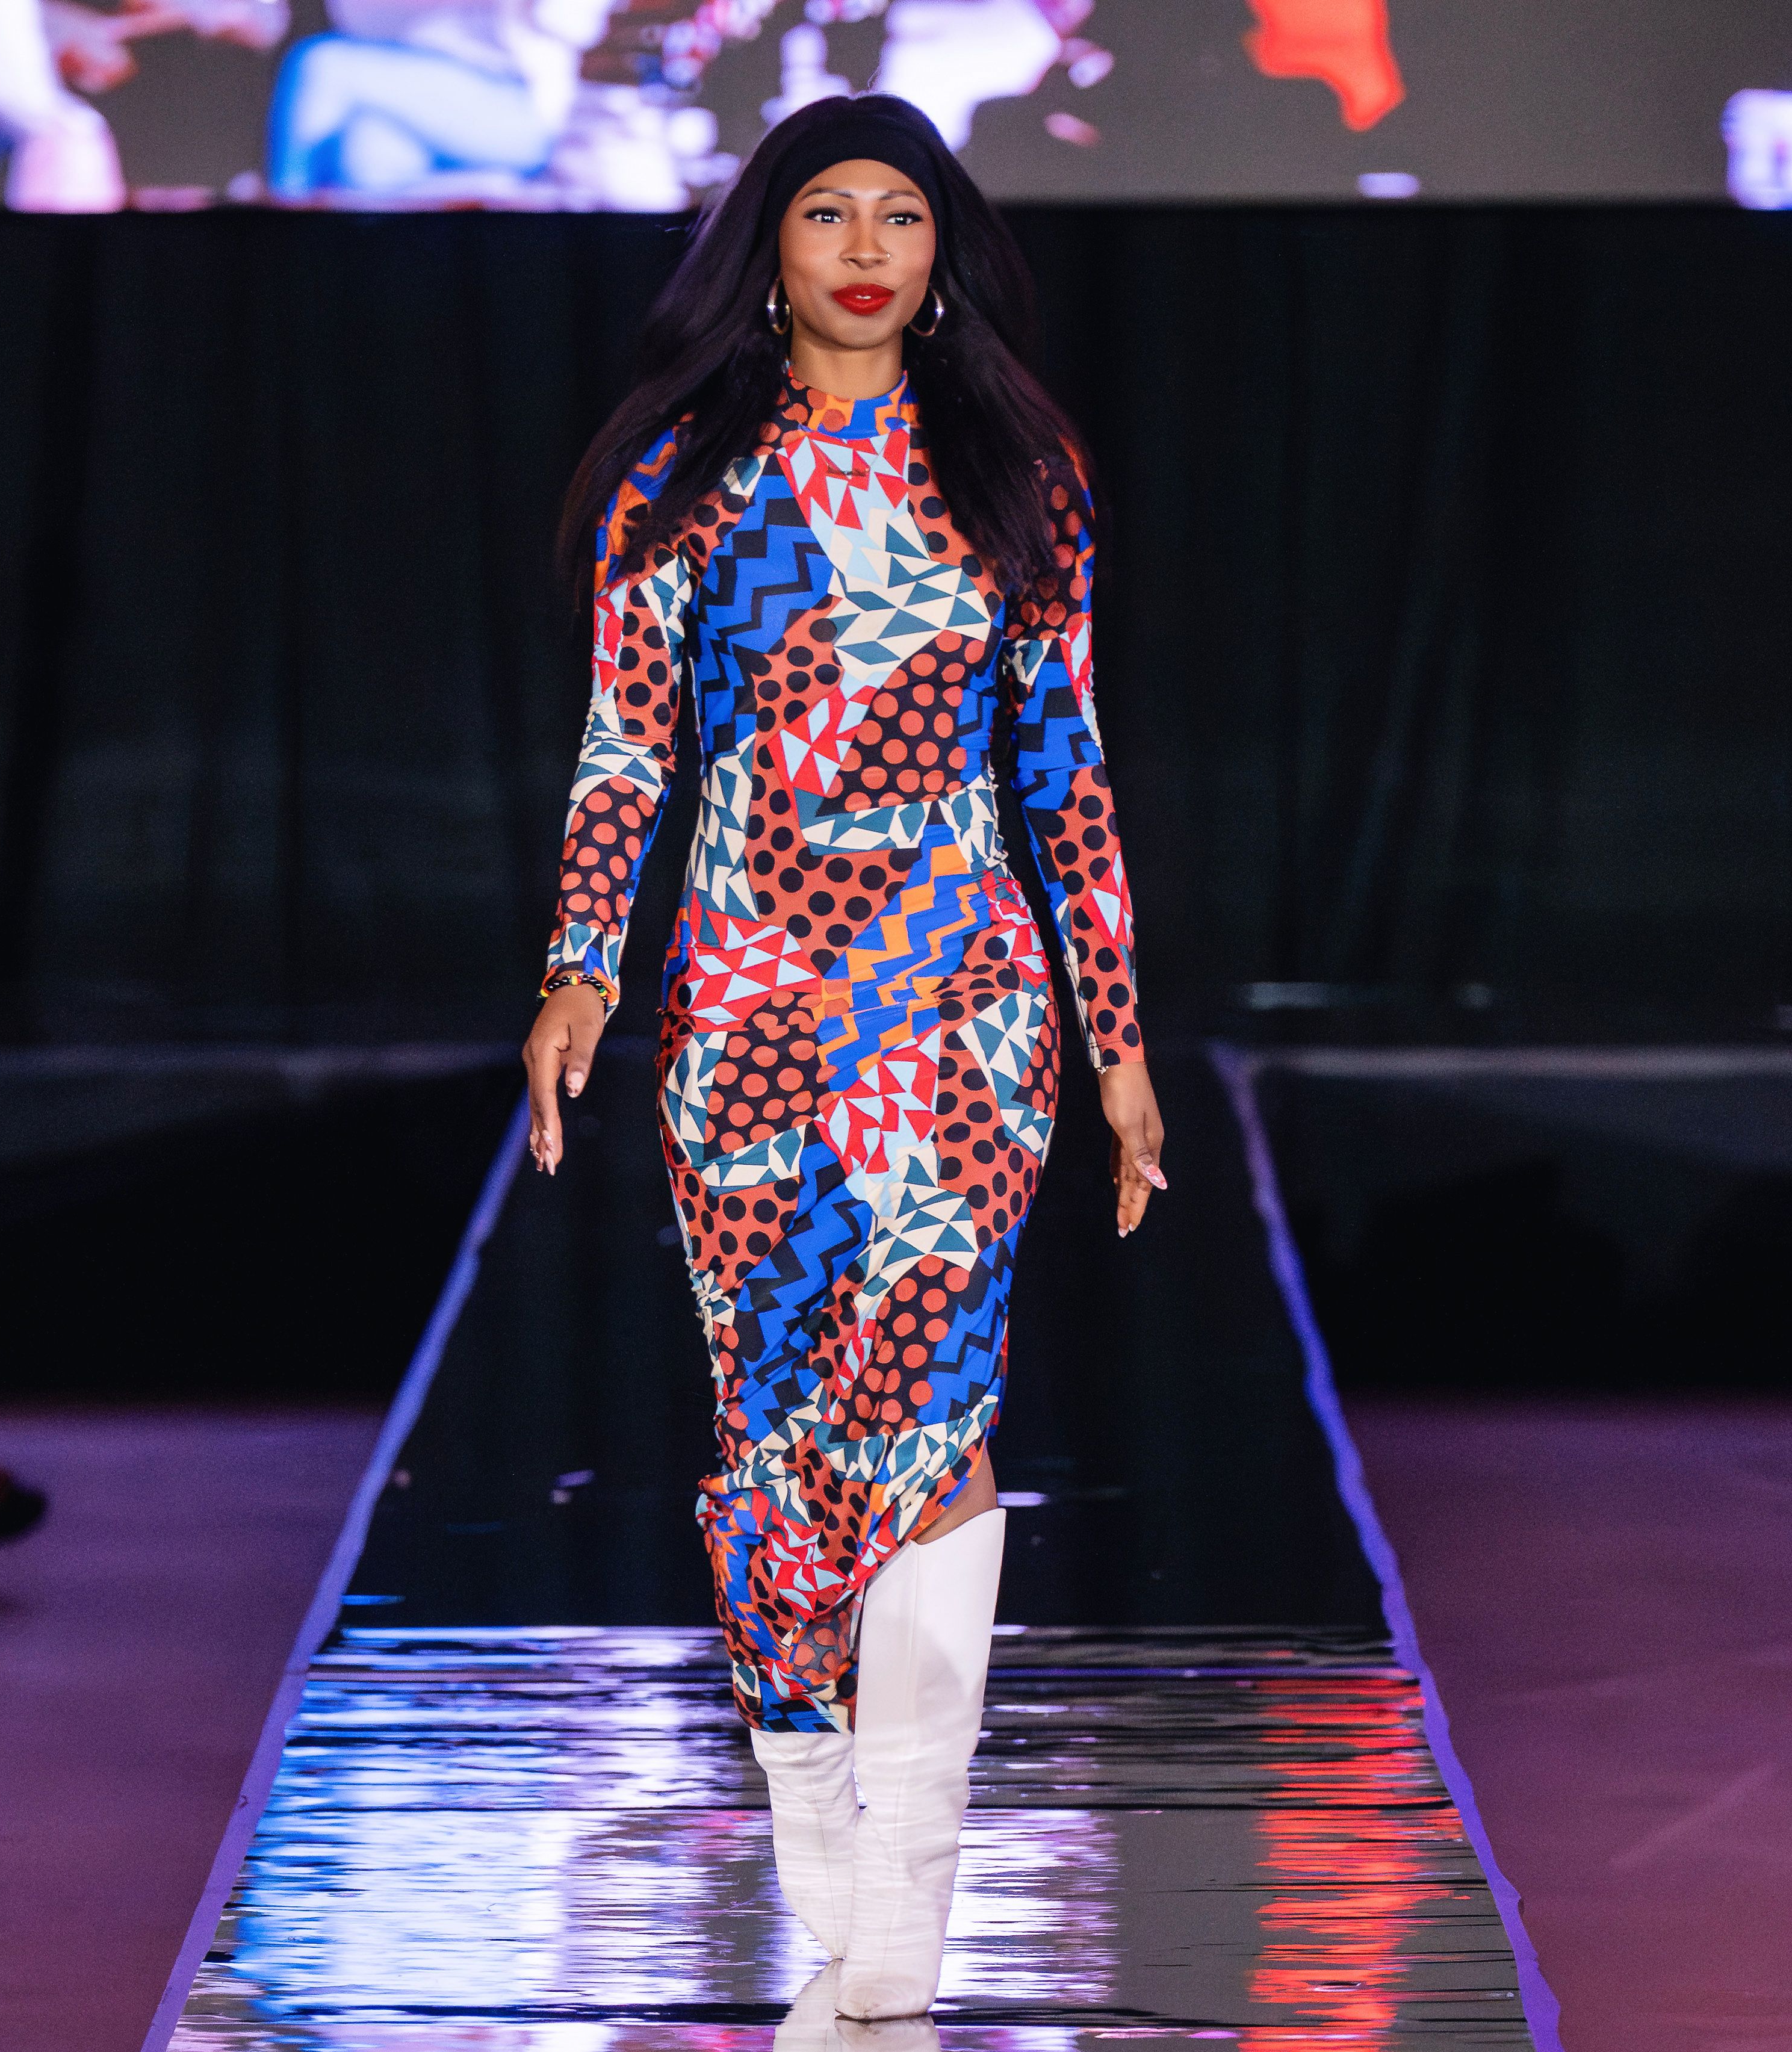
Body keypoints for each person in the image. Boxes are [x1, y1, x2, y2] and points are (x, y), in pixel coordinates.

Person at [516, 92, 1158, 2023]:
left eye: (903, 213)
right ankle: (821, 1831)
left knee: (939, 1438)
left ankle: (910, 1904)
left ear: (944, 248)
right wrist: (577, 977)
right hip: (744, 1020)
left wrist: (1117, 1045)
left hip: (960, 1010)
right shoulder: (681, 482)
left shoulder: (1023, 469)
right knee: (782, 1455)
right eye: (827, 212)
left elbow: (1069, 765)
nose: (868, 246)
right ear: (766, 246)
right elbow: (629, 755)